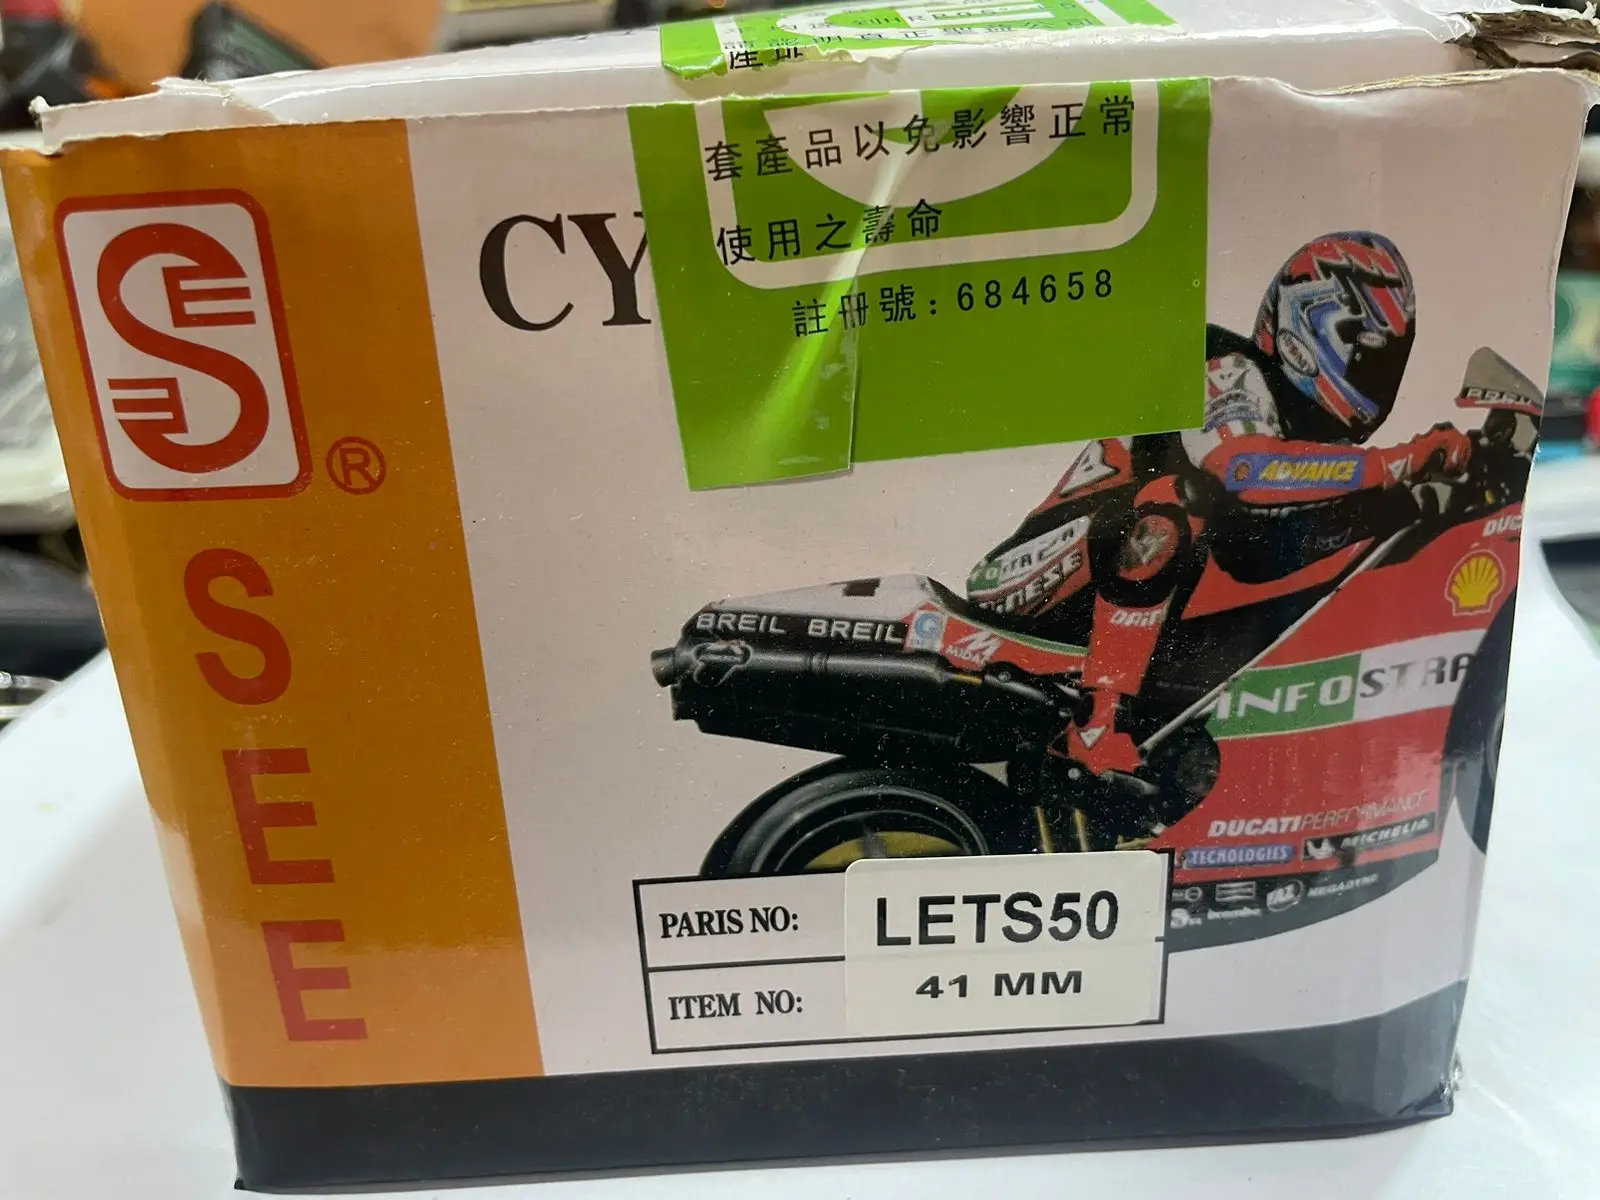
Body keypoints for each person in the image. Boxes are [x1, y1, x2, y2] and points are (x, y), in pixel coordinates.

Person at [968, 232, 1473, 776]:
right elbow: (1242, 469)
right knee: (1172, 504)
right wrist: (1399, 462)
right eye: (1366, 360)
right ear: (1309, 333)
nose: (1375, 380)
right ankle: (1097, 723)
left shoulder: (1298, 435)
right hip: (1031, 575)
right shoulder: (1226, 366)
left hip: (1115, 604)